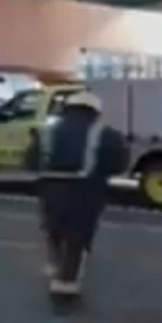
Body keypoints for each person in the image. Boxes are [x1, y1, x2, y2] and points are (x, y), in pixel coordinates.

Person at [23, 90, 129, 305]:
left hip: (50, 192)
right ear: (95, 112)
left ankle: (58, 268)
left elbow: (30, 161)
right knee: (77, 240)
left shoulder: (46, 132)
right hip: (86, 193)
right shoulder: (105, 134)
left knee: (55, 231)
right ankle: (65, 289)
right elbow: (118, 164)